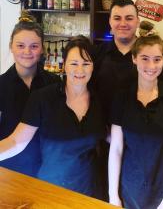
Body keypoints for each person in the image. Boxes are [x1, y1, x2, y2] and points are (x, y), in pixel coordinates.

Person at [0, 36, 106, 198]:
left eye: (86, 64)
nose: (80, 70)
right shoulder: (43, 98)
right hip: (51, 189)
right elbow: (16, 141)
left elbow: (111, 138)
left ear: (93, 67)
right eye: (74, 63)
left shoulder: (99, 101)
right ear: (64, 66)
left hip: (89, 191)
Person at [108, 21, 163, 209]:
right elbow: (116, 148)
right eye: (145, 58)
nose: (151, 65)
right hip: (128, 189)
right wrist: (113, 195)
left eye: (157, 59)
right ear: (134, 59)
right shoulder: (122, 97)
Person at [0, 11, 60, 177]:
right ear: (11, 46)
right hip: (9, 171)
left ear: (42, 48)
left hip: (48, 171)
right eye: (20, 45)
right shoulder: (1, 85)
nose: (27, 51)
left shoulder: (55, 83)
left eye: (34, 46)